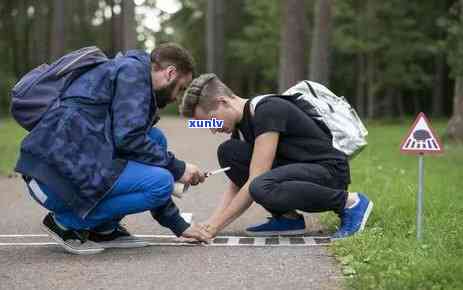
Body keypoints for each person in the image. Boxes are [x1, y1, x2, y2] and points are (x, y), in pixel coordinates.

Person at [15, 43, 208, 255]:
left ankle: (104, 229)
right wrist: (179, 169)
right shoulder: (132, 73)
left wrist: (179, 225)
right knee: (160, 183)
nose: (175, 98)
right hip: (50, 180)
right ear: (170, 73)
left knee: (155, 139)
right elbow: (128, 139)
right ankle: (65, 223)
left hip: (62, 169)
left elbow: (134, 142)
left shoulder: (128, 73)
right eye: (180, 88)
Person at [180, 74, 373, 239]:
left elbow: (255, 179)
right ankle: (288, 219)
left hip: (328, 172)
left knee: (260, 185)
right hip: (299, 171)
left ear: (223, 101)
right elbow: (237, 183)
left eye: (211, 121)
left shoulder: (267, 110)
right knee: (228, 152)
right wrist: (210, 223)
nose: (213, 129)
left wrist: (215, 228)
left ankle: (351, 203)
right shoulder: (240, 129)